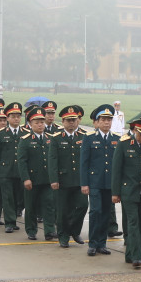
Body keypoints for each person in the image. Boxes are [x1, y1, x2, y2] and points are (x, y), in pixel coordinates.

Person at [112, 114, 141, 268]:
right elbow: (116, 170)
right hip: (128, 192)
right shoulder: (124, 144)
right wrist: (115, 193)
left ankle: (129, 255)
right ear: (135, 131)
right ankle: (137, 257)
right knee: (133, 224)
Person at [81, 104, 119, 257]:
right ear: (97, 121)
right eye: (103, 119)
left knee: (106, 214)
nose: (106, 123)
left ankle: (102, 244)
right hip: (94, 182)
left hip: (109, 183)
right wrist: (84, 183)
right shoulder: (89, 138)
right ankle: (92, 243)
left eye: (109, 120)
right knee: (95, 212)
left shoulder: (116, 138)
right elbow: (84, 162)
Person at [48, 105, 89, 248]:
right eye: (68, 120)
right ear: (63, 121)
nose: (71, 123)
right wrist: (53, 179)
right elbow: (52, 160)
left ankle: (74, 230)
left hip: (80, 180)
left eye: (74, 120)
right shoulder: (56, 138)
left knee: (83, 206)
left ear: (78, 120)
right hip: (63, 180)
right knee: (62, 211)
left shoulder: (85, 136)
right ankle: (63, 236)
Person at [17, 106, 56, 241]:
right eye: (37, 122)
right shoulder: (25, 139)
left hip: (47, 179)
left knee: (49, 205)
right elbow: (22, 161)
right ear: (30, 124)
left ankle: (50, 231)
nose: (40, 125)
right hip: (32, 180)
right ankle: (31, 230)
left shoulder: (50, 138)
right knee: (31, 206)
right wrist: (26, 178)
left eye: (42, 122)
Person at [0, 102, 25, 233]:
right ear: (8, 118)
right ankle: (9, 222)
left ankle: (13, 218)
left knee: (18, 197)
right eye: (13, 116)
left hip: (20, 171)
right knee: (8, 197)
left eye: (18, 116)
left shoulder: (25, 133)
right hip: (5, 171)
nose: (16, 118)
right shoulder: (0, 133)